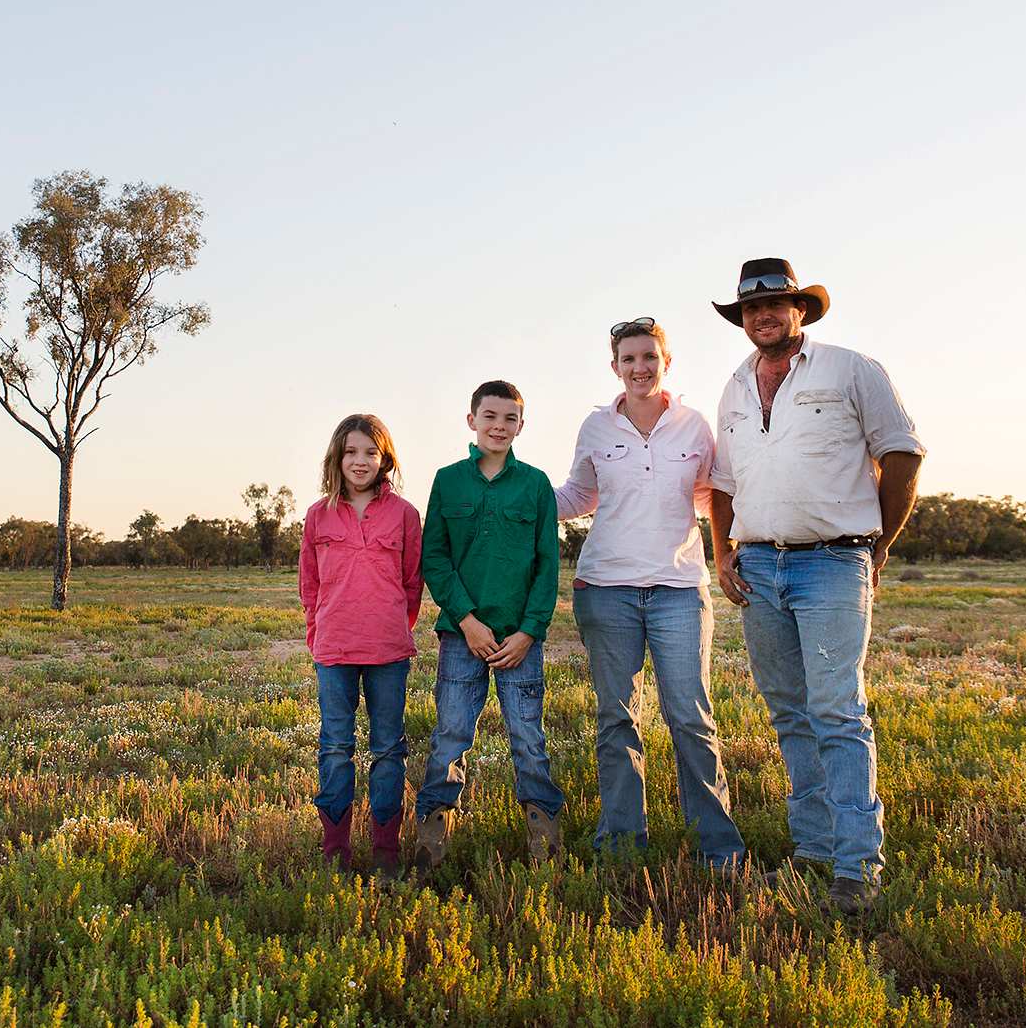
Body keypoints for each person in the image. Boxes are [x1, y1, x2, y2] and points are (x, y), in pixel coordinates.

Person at [705, 259, 924, 915]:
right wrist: (722, 552)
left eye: (775, 304)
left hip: (832, 562)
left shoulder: (852, 369)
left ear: (800, 309)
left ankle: (857, 866)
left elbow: (903, 453)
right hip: (760, 568)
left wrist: (878, 542)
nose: (763, 316)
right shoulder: (736, 387)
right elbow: (723, 483)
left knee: (837, 712)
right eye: (750, 308)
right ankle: (813, 851)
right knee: (790, 712)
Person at [554, 317, 746, 867]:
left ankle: (718, 850)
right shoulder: (595, 427)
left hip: (679, 589)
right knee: (616, 719)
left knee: (690, 716)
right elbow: (579, 495)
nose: (640, 368)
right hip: (606, 587)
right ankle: (620, 846)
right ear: (614, 367)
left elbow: (714, 498)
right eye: (629, 359)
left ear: (666, 362)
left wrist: (743, 534)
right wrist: (518, 495)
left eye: (649, 357)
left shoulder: (694, 427)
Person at [410, 380, 566, 869]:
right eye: (490, 417)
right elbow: (434, 557)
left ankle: (543, 832)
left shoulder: (536, 484)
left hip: (520, 636)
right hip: (463, 636)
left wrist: (529, 630)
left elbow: (547, 562)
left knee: (528, 735)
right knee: (451, 731)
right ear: (472, 420)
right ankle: (434, 830)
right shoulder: (448, 480)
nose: (500, 426)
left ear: (522, 425)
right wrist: (466, 620)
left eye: (510, 419)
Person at [299, 414, 425, 878]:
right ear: (337, 457)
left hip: (388, 651)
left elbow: (413, 582)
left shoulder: (406, 515)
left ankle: (386, 856)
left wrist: (393, 625)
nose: (360, 461)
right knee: (335, 747)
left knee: (389, 749)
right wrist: (320, 631)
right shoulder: (318, 515)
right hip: (333, 650)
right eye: (351, 452)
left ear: (384, 458)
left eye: (370, 452)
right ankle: (336, 855)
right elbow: (309, 584)